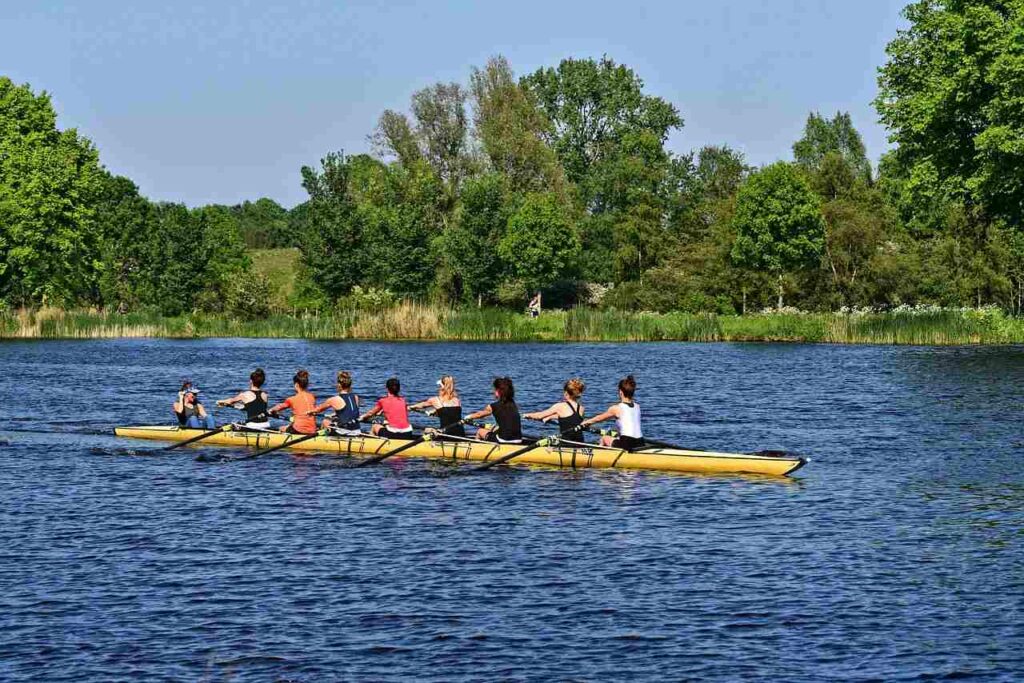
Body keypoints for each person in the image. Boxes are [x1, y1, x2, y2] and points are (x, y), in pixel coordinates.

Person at [581, 375, 645, 450]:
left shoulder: (616, 408)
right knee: (616, 436)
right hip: (640, 442)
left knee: (604, 438)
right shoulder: (637, 406)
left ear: (621, 392)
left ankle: (601, 458)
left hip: (627, 443)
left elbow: (599, 419)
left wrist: (586, 423)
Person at [465, 376, 523, 443]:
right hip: (518, 440)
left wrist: (468, 417)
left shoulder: (493, 406)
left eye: (494, 389)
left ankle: (477, 449)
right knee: (495, 429)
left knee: (480, 431)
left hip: (503, 440)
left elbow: (479, 414)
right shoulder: (514, 405)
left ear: (498, 391)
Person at [268, 369, 317, 434]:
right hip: (312, 429)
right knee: (291, 424)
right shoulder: (312, 397)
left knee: (278, 426)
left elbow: (279, 406)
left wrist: (270, 410)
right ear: (307, 385)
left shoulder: (291, 399)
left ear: (296, 385)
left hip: (298, 429)